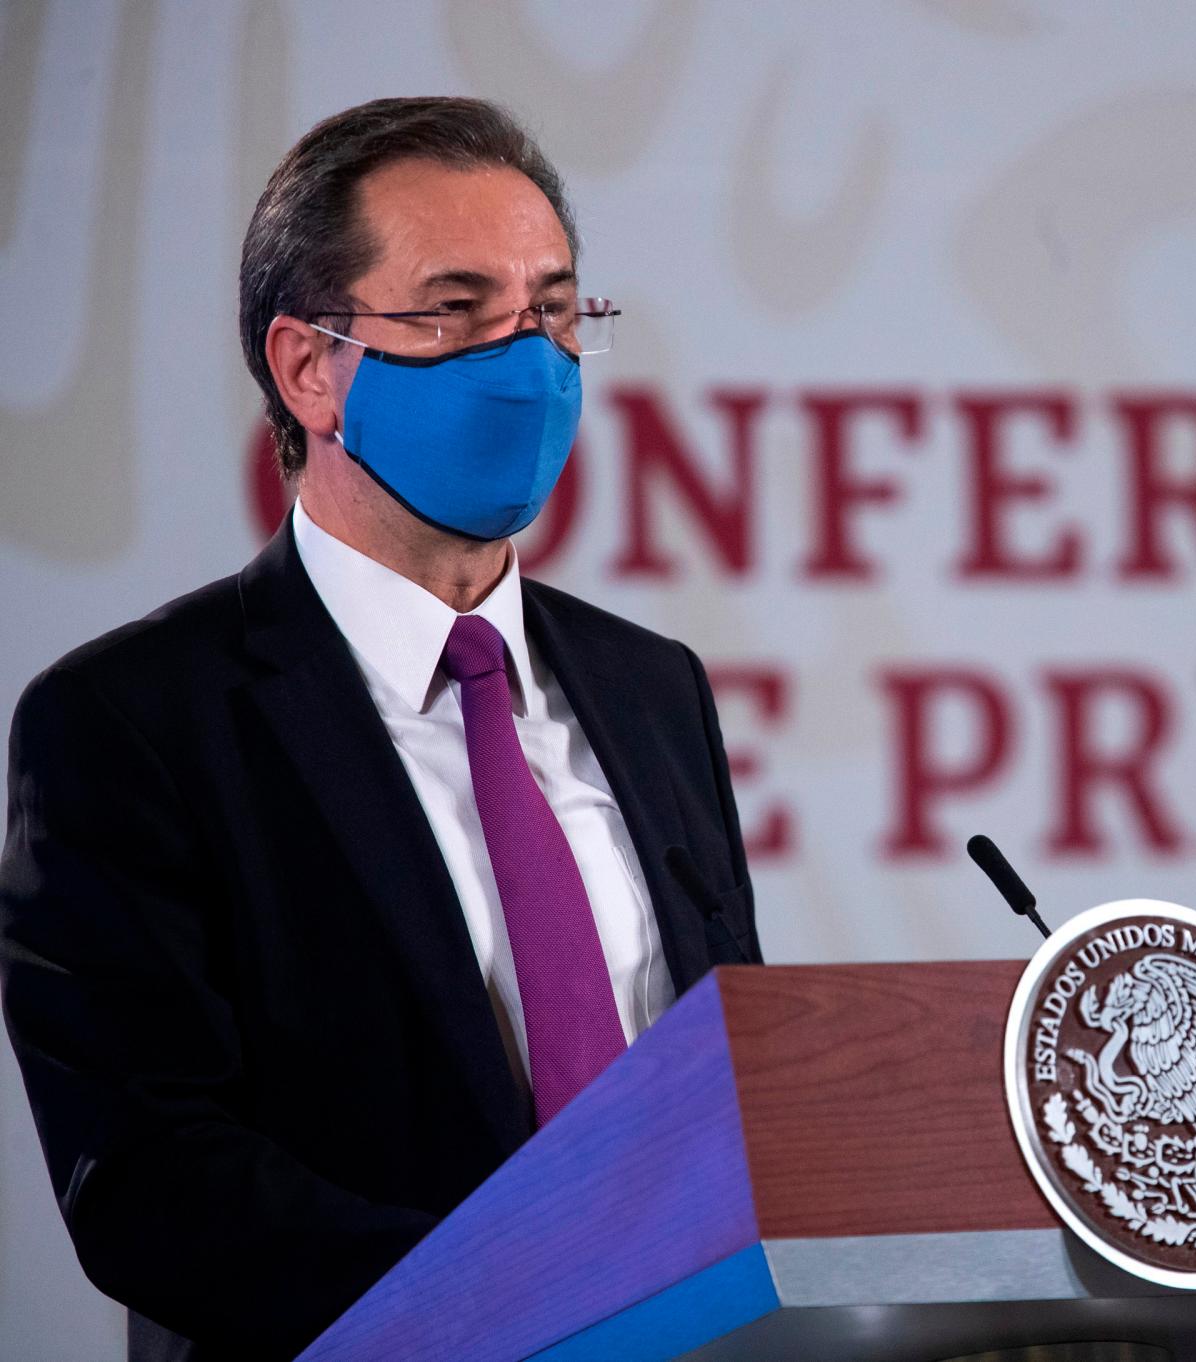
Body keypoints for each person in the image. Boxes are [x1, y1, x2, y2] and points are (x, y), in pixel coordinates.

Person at [0, 97, 759, 1361]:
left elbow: (722, 1080)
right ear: (309, 369)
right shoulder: (131, 722)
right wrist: (531, 1296)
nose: (528, 360)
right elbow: (148, 1182)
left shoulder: (651, 688)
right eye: (456, 310)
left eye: (552, 310)